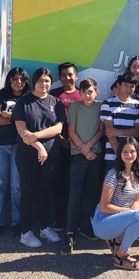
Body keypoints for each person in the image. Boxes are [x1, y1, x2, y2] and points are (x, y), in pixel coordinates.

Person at [11, 67, 65, 247]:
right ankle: (25, 233)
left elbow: (58, 128)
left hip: (51, 155)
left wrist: (37, 136)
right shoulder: (24, 102)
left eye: (47, 81)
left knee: (45, 192)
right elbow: (21, 130)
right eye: (41, 80)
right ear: (34, 82)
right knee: (27, 192)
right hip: (27, 155)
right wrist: (39, 146)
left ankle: (44, 228)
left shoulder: (55, 102)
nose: (44, 84)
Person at [91, 137, 139, 270]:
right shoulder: (114, 174)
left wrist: (130, 217)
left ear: (137, 153)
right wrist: (127, 213)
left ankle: (118, 239)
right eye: (125, 152)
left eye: (132, 151)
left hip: (125, 217)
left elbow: (136, 202)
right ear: (119, 154)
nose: (129, 155)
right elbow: (104, 207)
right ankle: (120, 256)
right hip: (104, 221)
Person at [61, 78, 105, 256]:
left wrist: (90, 147)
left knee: (91, 191)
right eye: (84, 92)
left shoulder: (101, 106)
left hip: (95, 154)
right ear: (79, 92)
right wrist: (83, 149)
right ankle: (70, 231)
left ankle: (86, 226)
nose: (87, 95)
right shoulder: (75, 107)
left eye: (91, 92)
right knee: (75, 192)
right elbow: (71, 131)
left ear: (97, 92)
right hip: (78, 154)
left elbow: (101, 130)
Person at [0, 67, 30, 237]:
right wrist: (17, 120)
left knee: (16, 186)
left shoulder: (29, 98)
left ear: (26, 81)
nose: (18, 82)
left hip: (19, 147)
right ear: (9, 80)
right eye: (15, 79)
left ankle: (16, 222)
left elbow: (29, 121)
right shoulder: (1, 95)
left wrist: (9, 115)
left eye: (21, 79)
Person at [50, 62, 82, 231]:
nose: (67, 78)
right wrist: (61, 138)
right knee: (59, 184)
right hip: (58, 146)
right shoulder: (54, 95)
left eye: (70, 74)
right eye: (63, 75)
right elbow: (49, 119)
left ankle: (75, 220)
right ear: (60, 78)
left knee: (75, 185)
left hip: (78, 148)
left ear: (76, 76)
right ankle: (59, 219)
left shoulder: (82, 94)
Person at [100, 72, 139, 172]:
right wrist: (120, 155)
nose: (128, 89)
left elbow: (137, 131)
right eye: (125, 85)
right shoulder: (108, 103)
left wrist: (119, 132)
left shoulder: (137, 105)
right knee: (110, 185)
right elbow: (110, 133)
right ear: (118, 85)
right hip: (113, 156)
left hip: (133, 156)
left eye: (132, 86)